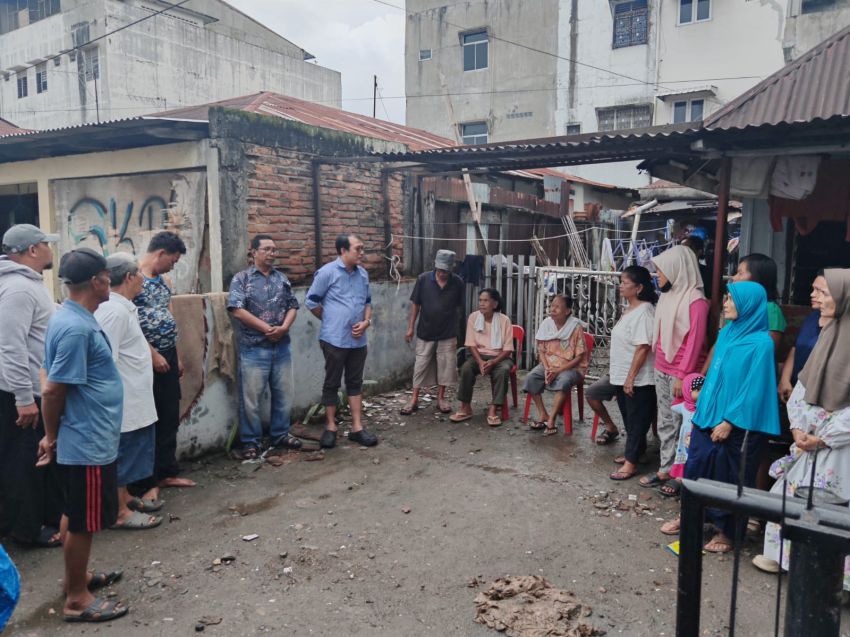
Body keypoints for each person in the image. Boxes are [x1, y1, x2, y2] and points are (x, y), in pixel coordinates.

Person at [37, 248, 128, 622]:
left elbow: (46, 372)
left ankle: (77, 577)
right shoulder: (75, 327)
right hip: (86, 441)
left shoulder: (70, 317)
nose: (110, 282)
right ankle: (77, 598)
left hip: (86, 437)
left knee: (73, 512)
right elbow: (52, 389)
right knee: (84, 522)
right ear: (97, 281)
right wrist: (51, 435)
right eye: (107, 276)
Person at [662, 282, 780, 551]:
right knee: (697, 467)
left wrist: (729, 421)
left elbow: (754, 387)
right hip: (709, 415)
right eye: (726, 298)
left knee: (732, 476)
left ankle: (728, 532)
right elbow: (715, 375)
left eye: (731, 300)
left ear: (748, 305)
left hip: (738, 423)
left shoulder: (761, 344)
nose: (725, 304)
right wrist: (702, 407)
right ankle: (691, 517)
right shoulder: (727, 333)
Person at [754, 269, 850, 576]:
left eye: (826, 293)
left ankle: (838, 579)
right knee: (789, 494)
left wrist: (825, 437)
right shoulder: (829, 332)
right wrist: (797, 428)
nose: (819, 299)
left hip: (839, 447)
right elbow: (804, 385)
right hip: (808, 439)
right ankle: (781, 555)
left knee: (835, 507)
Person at [0, 224, 63, 548]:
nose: (51, 249)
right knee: (23, 463)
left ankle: (37, 518)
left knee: (32, 460)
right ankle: (26, 530)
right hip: (20, 392)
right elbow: (10, 347)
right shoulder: (18, 289)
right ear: (32, 250)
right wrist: (24, 399)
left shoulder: (28, 285)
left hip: (29, 388)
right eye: (45, 244)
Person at [95, 254, 162, 530]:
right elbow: (104, 359)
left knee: (132, 452)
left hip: (135, 397)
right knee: (122, 455)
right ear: (129, 277)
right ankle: (119, 511)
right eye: (139, 275)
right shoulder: (113, 311)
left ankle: (127, 499)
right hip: (123, 400)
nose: (142, 280)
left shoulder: (124, 307)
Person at [640, 245, 709, 496]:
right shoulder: (668, 296)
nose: (657, 275)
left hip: (682, 372)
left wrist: (682, 374)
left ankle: (682, 476)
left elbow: (695, 341)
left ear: (676, 269)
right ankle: (665, 468)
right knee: (666, 421)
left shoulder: (696, 301)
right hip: (662, 365)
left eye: (660, 270)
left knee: (683, 426)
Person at [133, 231, 194, 502]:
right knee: (149, 418)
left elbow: (169, 317)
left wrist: (175, 354)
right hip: (143, 359)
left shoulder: (164, 280)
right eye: (174, 259)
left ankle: (167, 471)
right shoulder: (132, 277)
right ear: (161, 253)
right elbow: (130, 323)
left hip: (167, 353)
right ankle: (147, 480)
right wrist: (152, 353)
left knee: (169, 413)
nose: (174, 265)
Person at [228, 235, 302, 459]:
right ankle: (250, 441)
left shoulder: (282, 278)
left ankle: (280, 434)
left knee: (284, 394)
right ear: (254, 252)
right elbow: (236, 309)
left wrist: (284, 328)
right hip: (254, 348)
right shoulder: (241, 279)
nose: (272, 253)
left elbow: (293, 306)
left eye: (274, 250)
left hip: (281, 347)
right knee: (251, 399)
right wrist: (267, 329)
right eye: (267, 249)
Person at [305, 234, 378, 449]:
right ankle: (330, 427)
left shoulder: (362, 274)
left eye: (362, 248)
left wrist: (366, 322)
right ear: (343, 251)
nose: (362, 253)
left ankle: (357, 428)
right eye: (358, 248)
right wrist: (330, 320)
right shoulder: (327, 272)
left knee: (355, 382)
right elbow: (311, 301)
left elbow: (368, 302)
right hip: (334, 340)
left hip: (358, 341)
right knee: (332, 382)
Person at [584, 266, 658, 479]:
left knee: (636, 420)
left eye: (625, 282)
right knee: (628, 417)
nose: (620, 286)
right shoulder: (630, 309)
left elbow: (643, 346)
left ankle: (631, 463)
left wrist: (630, 378)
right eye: (621, 282)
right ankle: (635, 454)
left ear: (639, 287)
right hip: (622, 374)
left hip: (638, 378)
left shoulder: (644, 312)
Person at [402, 249, 465, 416]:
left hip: (447, 331)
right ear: (435, 266)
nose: (442, 273)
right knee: (420, 365)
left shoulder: (458, 282)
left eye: (446, 271)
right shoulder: (423, 279)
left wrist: (458, 332)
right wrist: (410, 328)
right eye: (440, 270)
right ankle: (414, 399)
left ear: (451, 269)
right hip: (426, 330)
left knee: (445, 365)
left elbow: (458, 308)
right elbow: (415, 305)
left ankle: (441, 398)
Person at [702, 253, 786, 374]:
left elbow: (763, 356)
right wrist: (702, 376)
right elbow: (718, 346)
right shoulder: (735, 308)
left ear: (757, 279)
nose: (734, 278)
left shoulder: (771, 310)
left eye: (740, 273)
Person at [523, 294, 587, 435]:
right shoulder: (546, 324)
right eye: (552, 305)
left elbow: (579, 357)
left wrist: (559, 370)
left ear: (567, 311)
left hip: (571, 366)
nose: (553, 309)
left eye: (557, 306)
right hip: (549, 364)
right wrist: (547, 368)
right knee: (531, 377)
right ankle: (543, 414)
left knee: (564, 381)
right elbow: (541, 350)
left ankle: (551, 419)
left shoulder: (575, 327)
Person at [450, 288, 514, 427]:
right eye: (480, 300)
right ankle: (465, 407)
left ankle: (493, 409)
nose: (482, 304)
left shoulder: (504, 321)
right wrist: (480, 362)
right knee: (466, 368)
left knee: (503, 371)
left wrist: (493, 362)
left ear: (495, 304)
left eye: (486, 301)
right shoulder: (473, 317)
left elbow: (508, 349)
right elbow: (471, 344)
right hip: (479, 356)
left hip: (500, 357)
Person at [777, 270, 827, 402]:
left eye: (819, 291)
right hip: (795, 391)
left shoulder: (842, 329)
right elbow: (795, 348)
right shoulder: (812, 318)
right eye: (813, 289)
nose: (812, 294)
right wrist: (785, 380)